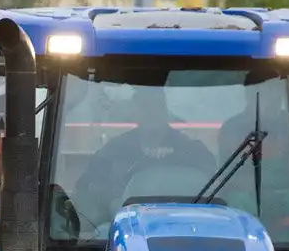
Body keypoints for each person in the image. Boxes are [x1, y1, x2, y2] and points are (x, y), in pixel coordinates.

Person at [73, 86, 216, 228]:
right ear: (135, 112)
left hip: (186, 225)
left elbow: (212, 174)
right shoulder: (113, 152)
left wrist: (174, 159)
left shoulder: (190, 150)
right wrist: (112, 202)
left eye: (158, 105)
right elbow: (88, 187)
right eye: (145, 105)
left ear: (165, 110)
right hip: (127, 227)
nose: (152, 111)